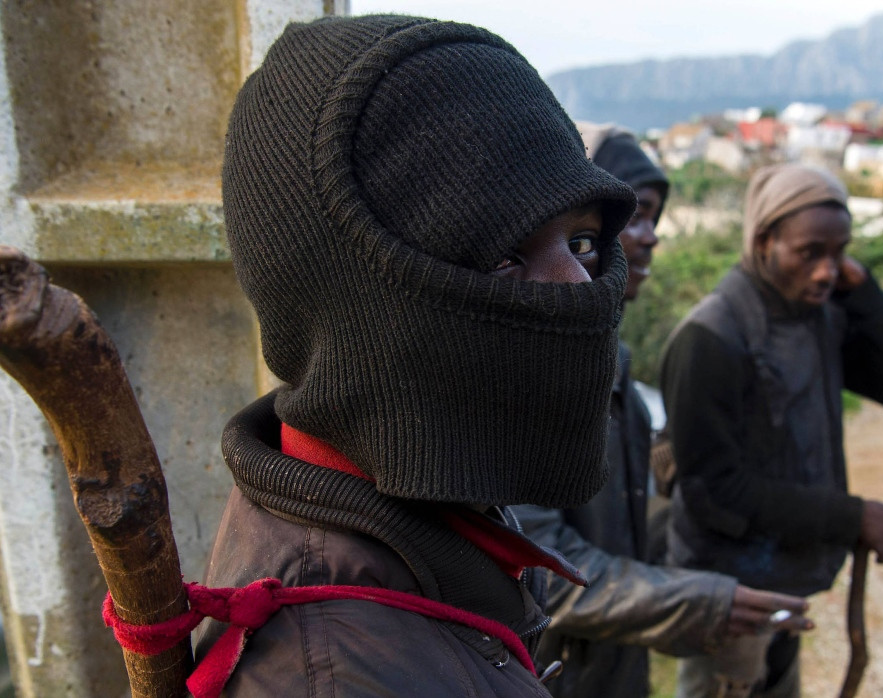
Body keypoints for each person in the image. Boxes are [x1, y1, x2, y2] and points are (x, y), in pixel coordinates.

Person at [195, 15, 649, 696]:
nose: (580, 288)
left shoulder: (426, 506)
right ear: (354, 305)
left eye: (583, 242)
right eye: (503, 255)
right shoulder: (339, 674)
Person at [512, 125, 812, 698]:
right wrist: (707, 604)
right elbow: (548, 571)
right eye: (632, 216)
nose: (648, 237)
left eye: (654, 218)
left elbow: (626, 540)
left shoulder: (617, 372)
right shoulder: (528, 381)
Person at [661, 163, 883, 697]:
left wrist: (866, 291)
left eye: (840, 252)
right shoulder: (711, 337)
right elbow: (715, 492)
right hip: (729, 590)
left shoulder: (819, 316)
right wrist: (851, 517)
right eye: (810, 252)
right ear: (764, 242)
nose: (828, 271)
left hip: (786, 572)